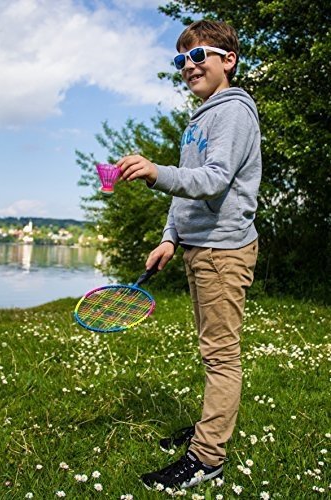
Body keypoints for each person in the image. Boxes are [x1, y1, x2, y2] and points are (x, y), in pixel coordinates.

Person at [117, 19, 262, 491]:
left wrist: (157, 172)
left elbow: (215, 178)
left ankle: (207, 457)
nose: (189, 66)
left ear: (228, 60)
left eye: (199, 56)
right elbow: (186, 193)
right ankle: (209, 428)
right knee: (210, 349)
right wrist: (169, 238)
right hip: (201, 247)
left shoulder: (234, 112)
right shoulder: (200, 118)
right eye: (181, 60)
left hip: (224, 249)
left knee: (221, 356)